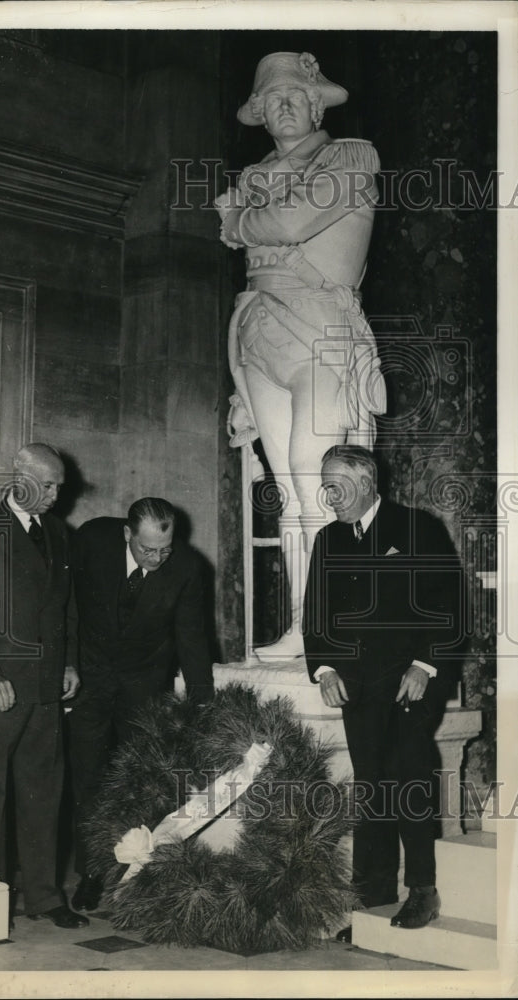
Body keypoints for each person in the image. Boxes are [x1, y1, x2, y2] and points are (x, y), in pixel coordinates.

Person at [215, 51, 386, 660]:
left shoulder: (351, 156)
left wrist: (239, 219)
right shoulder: (256, 173)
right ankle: (305, 627)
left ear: (317, 102)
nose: (283, 105)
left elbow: (290, 223)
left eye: (294, 94)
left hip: (322, 329)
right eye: (271, 99)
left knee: (321, 476)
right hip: (260, 330)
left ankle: (340, 624)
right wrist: (247, 213)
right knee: (289, 490)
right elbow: (273, 221)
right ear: (260, 113)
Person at [303, 445, 464, 940]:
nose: (330, 496)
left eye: (339, 484)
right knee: (372, 783)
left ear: (368, 481)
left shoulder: (418, 529)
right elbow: (317, 612)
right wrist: (325, 669)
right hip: (358, 687)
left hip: (413, 681)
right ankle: (370, 895)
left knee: (409, 774)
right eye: (326, 485)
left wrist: (424, 665)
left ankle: (421, 889)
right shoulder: (329, 539)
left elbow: (450, 607)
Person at [0, 443, 88, 930]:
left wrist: (69, 663)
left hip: (47, 688)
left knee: (43, 794)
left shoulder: (58, 533)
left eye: (58, 487)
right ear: (19, 476)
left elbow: (67, 609)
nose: (54, 496)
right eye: (47, 485)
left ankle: (44, 897)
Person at [68, 497, 214, 912]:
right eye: (147, 549)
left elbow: (192, 636)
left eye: (165, 549)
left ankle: (134, 875)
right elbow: (67, 605)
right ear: (127, 534)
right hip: (90, 678)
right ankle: (92, 873)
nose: (156, 558)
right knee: (89, 779)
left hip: (144, 681)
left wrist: (202, 699)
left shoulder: (187, 567)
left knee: (141, 781)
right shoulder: (93, 540)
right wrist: (65, 664)